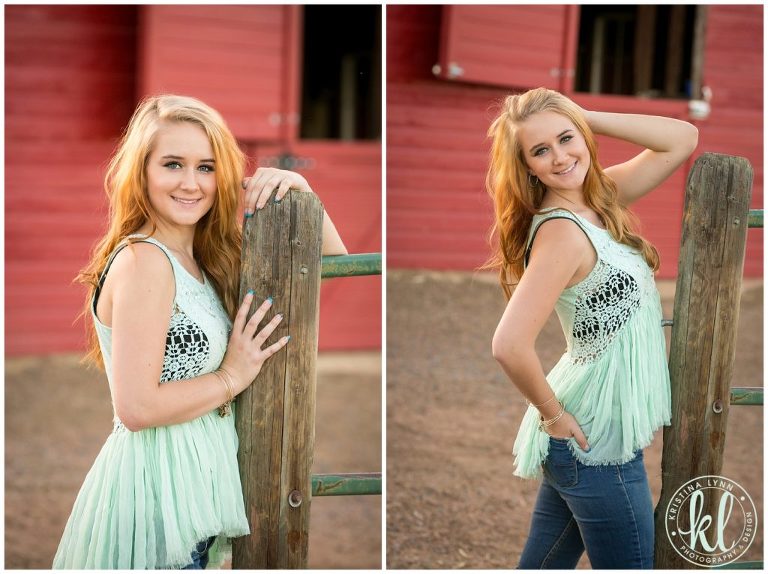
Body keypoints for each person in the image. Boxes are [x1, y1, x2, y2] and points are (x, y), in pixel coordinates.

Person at [53, 94, 347, 569]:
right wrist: (232, 376)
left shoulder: (207, 260)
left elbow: (333, 263)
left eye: (206, 167)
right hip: (154, 507)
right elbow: (136, 408)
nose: (190, 183)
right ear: (142, 172)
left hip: (192, 500)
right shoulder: (145, 261)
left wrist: (300, 189)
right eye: (173, 164)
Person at [486, 88, 698, 569]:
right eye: (541, 150)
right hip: (593, 436)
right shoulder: (562, 231)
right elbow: (509, 344)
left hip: (587, 433)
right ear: (528, 167)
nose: (560, 157)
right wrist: (553, 417)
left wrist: (583, 116)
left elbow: (682, 138)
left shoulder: (600, 199)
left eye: (567, 138)